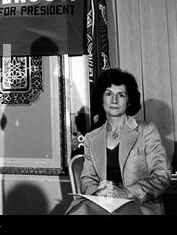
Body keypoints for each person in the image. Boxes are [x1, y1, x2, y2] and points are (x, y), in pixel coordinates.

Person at [66, 68, 171, 215]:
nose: (114, 100)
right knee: (80, 210)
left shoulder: (147, 130)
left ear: (129, 101)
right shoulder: (91, 138)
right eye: (109, 94)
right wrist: (101, 192)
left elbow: (162, 175)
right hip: (103, 204)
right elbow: (87, 179)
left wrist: (125, 193)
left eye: (121, 95)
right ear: (102, 100)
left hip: (139, 204)